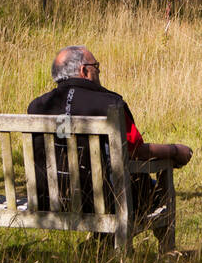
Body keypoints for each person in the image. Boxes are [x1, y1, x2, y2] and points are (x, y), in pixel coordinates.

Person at [27, 45, 191, 240]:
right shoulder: (110, 103)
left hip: (47, 199)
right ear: (84, 71)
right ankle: (166, 252)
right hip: (101, 201)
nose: (98, 70)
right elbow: (136, 151)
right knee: (156, 193)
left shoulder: (37, 106)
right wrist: (174, 151)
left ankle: (102, 245)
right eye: (95, 65)